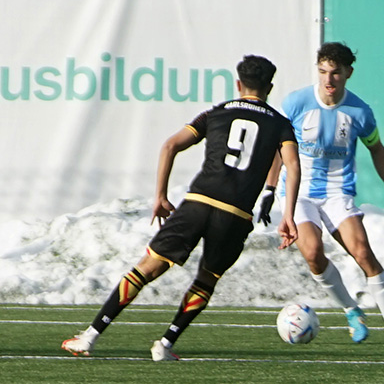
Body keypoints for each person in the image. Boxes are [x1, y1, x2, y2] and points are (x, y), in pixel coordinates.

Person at [61, 55, 301, 361]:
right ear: (269, 87)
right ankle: (165, 343)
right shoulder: (280, 124)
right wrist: (288, 215)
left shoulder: (216, 113)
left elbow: (170, 145)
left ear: (238, 84)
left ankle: (90, 337)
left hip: (198, 203)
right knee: (207, 279)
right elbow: (292, 166)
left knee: (148, 267)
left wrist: (160, 195)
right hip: (236, 214)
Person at [258, 42, 384, 345]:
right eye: (323, 72)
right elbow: (279, 150)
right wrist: (270, 190)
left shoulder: (360, 112)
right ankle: (352, 312)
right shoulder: (296, 103)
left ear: (348, 73)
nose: (329, 80)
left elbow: (377, 149)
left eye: (336, 73)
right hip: (299, 194)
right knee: (313, 254)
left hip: (338, 193)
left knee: (363, 252)